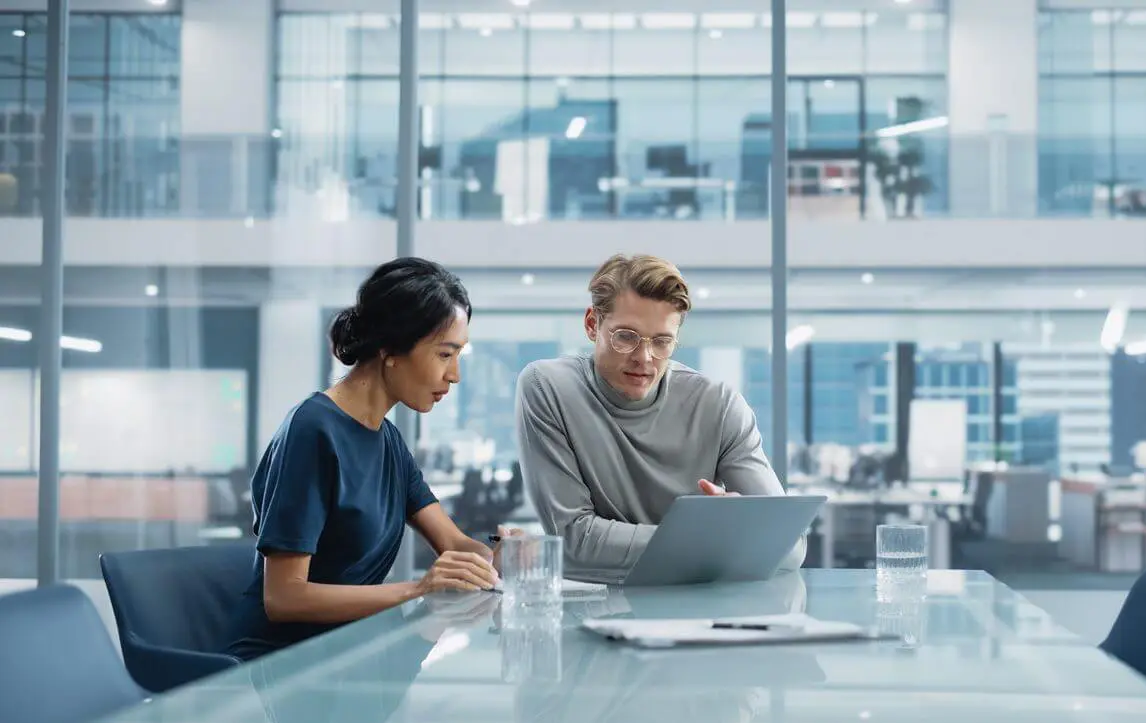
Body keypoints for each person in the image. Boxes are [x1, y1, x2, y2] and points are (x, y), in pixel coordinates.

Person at [226, 257, 504, 661]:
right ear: (390, 348)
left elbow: (455, 544)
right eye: (445, 355)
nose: (455, 375)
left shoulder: (387, 440)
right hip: (280, 663)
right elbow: (283, 597)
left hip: (348, 651)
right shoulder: (313, 431)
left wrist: (498, 549)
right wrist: (418, 589)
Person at [514, 253, 805, 582]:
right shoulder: (547, 387)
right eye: (626, 337)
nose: (644, 357)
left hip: (703, 614)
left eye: (663, 341)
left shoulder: (720, 405)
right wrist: (722, 540)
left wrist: (730, 529)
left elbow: (790, 546)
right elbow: (574, 541)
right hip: (595, 607)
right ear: (592, 325)